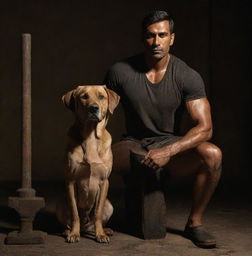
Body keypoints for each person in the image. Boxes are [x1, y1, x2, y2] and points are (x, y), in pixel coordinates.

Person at [104, 10, 222, 248]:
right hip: (131, 144)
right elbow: (97, 115)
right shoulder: (120, 71)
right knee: (89, 160)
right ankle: (89, 218)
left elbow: (205, 128)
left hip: (169, 144)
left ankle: (195, 223)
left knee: (212, 154)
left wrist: (169, 151)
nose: (156, 42)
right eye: (150, 36)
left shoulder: (187, 76)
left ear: (172, 38)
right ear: (142, 37)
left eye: (162, 35)